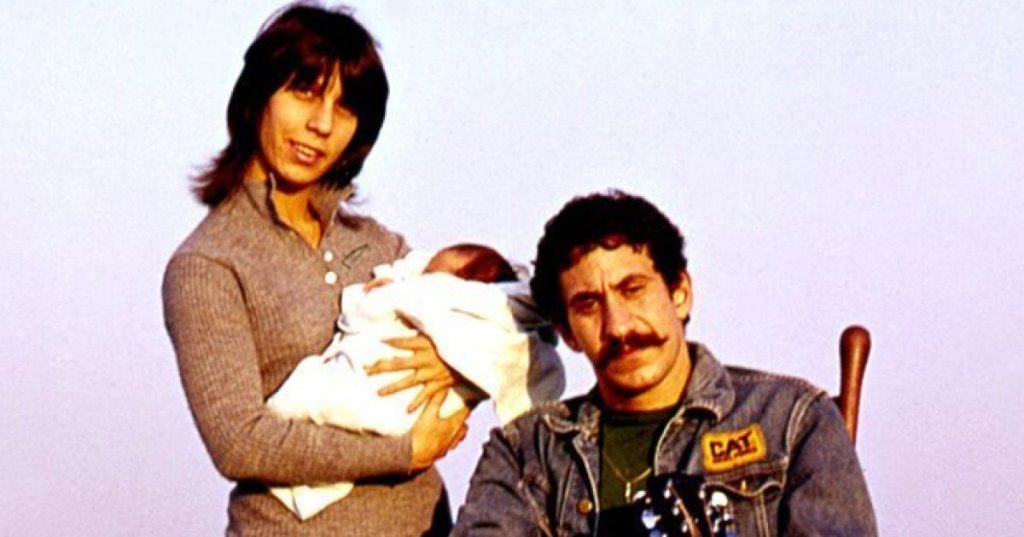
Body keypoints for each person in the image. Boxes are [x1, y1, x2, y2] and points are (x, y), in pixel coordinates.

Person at [163, 5, 468, 535]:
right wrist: (401, 452)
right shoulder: (207, 264)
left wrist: (453, 363)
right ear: (259, 95)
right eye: (304, 92)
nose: (322, 125)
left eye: (345, 108)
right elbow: (238, 441)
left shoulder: (380, 244)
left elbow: (483, 329)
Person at [452, 190, 878, 536]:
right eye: (588, 305)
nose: (619, 326)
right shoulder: (526, 453)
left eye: (633, 289)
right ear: (567, 333)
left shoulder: (792, 420)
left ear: (680, 294)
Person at [267, 244, 566, 520]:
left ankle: (290, 409)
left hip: (416, 491)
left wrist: (459, 362)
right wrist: (404, 453)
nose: (421, 278)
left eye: (430, 275)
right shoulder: (234, 257)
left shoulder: (396, 260)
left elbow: (368, 312)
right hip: (287, 516)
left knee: (325, 399)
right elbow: (246, 442)